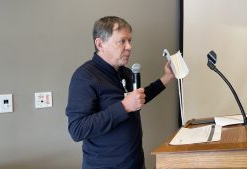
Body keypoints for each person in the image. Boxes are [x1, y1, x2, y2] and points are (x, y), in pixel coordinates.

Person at [66, 16, 174, 169]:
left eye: (130, 41)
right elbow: (77, 130)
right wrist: (123, 107)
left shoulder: (125, 72)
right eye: (122, 41)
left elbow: (138, 99)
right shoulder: (84, 77)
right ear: (100, 44)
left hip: (135, 163)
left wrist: (167, 77)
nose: (129, 46)